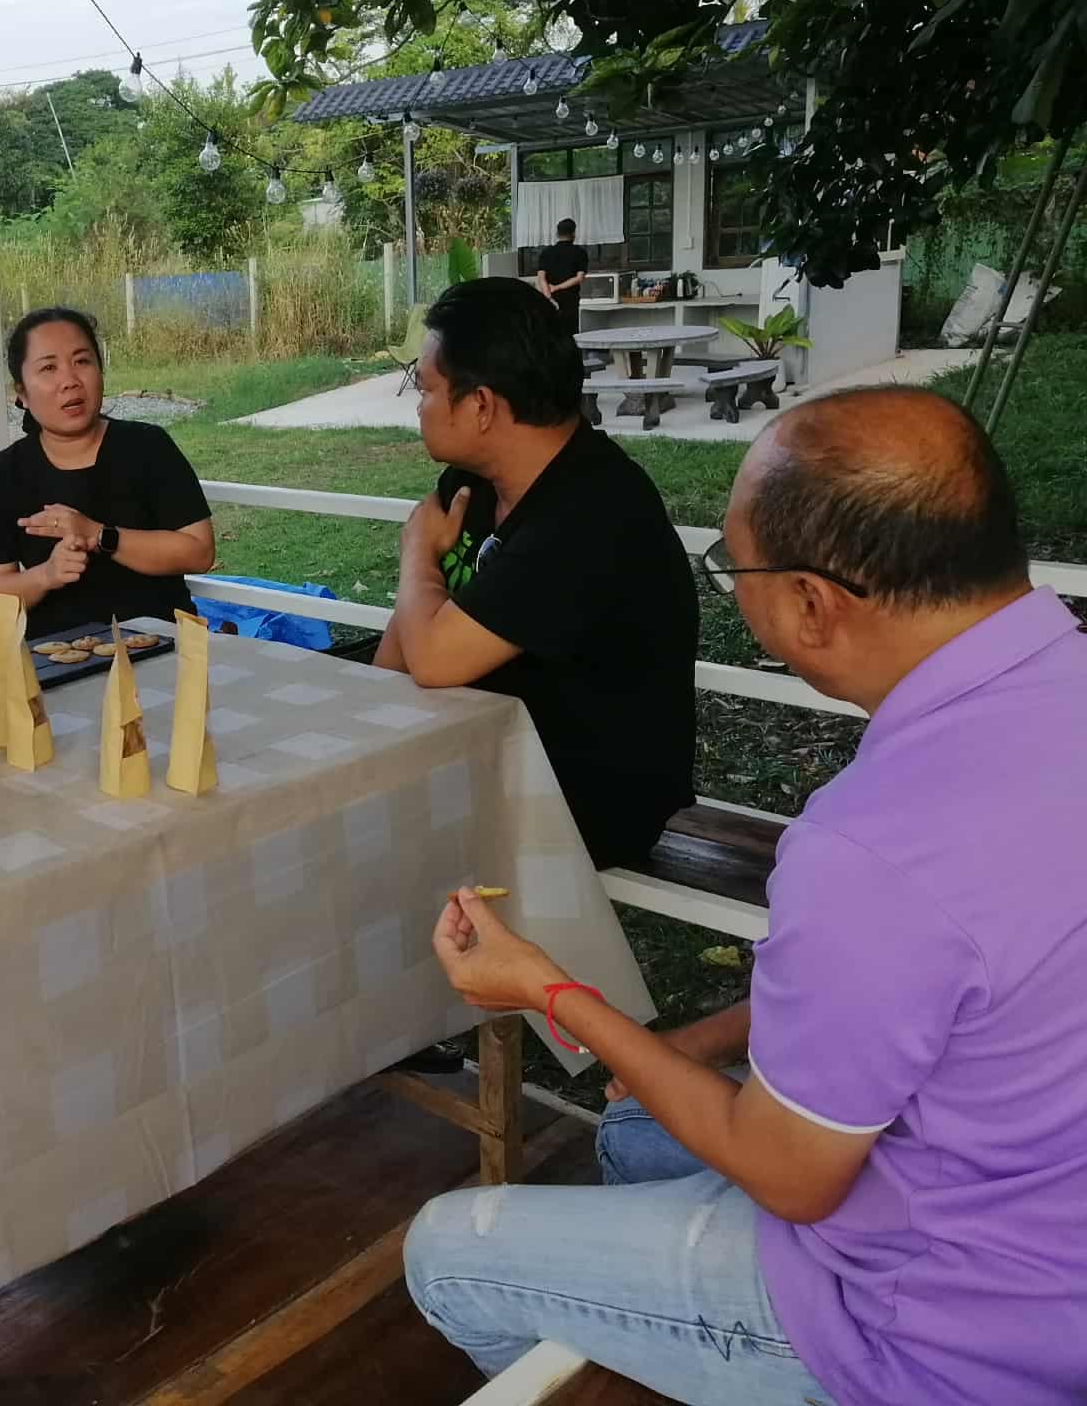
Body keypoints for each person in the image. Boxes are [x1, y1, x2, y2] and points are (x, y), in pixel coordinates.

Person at [405, 387, 1087, 1406]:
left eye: (736, 567)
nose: (732, 591)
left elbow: (791, 1178)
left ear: (811, 602)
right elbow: (943, 984)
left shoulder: (871, 847)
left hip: (949, 1327)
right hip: (1044, 1198)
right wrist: (705, 1038)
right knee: (632, 1134)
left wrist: (548, 990)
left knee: (446, 1251)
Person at [374, 277, 697, 867]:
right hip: (484, 753)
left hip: (588, 797)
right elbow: (397, 662)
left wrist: (416, 553)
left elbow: (434, 657)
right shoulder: (471, 484)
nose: (418, 407)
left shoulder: (591, 512)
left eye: (426, 388)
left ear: (481, 405)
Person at [0, 307, 215, 638]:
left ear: (100, 371)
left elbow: (199, 552)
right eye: (49, 368)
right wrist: (45, 575)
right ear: (22, 393)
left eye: (81, 361)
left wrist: (99, 535)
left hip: (162, 648)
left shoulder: (147, 447)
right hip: (54, 658)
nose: (70, 381)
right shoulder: (1, 477)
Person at [536, 216, 588, 335]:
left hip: (550, 301)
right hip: (570, 300)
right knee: (570, 334)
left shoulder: (546, 252)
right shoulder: (579, 252)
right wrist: (557, 287)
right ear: (573, 233)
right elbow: (579, 278)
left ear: (557, 233)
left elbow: (541, 278)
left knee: (552, 334)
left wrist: (549, 296)